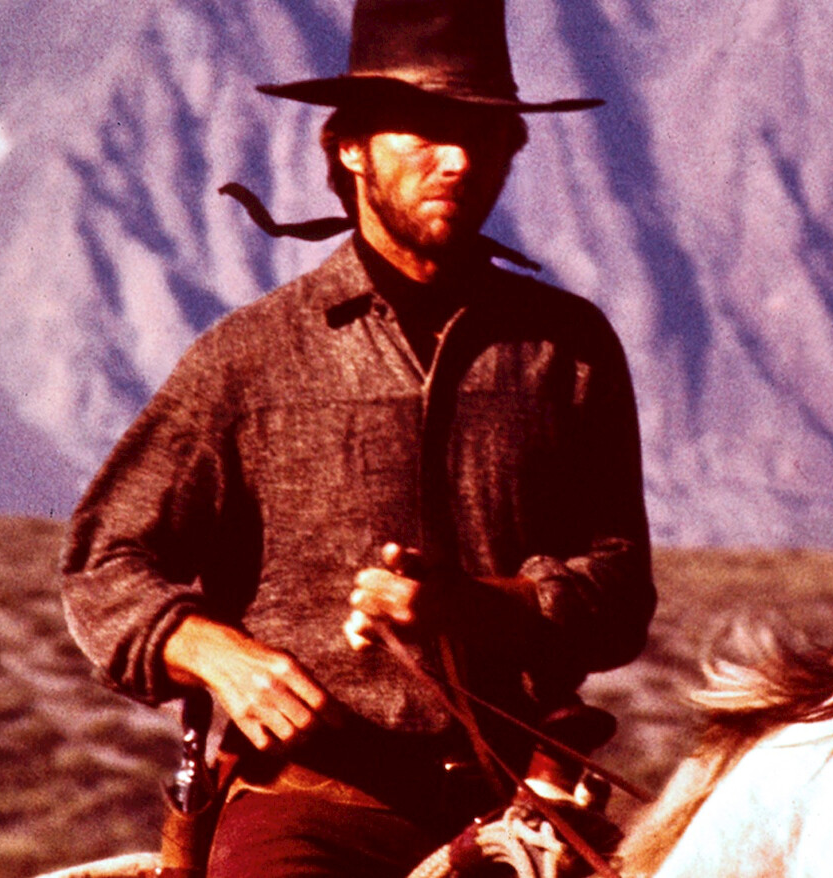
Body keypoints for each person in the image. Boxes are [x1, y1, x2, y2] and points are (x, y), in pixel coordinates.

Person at [60, 1, 654, 875]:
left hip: (521, 802)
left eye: (483, 135)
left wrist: (478, 608)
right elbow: (102, 561)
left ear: (513, 148)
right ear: (349, 147)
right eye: (426, 131)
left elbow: (622, 592)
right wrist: (216, 653)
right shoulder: (250, 356)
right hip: (308, 802)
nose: (457, 160)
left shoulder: (568, 348)